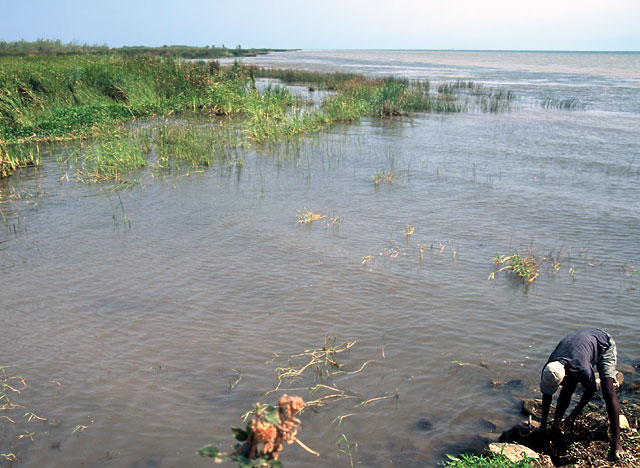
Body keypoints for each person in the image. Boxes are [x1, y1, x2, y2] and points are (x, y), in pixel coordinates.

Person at [539, 329, 624, 461]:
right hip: (578, 346)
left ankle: (617, 442)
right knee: (568, 387)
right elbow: (547, 394)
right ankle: (557, 423)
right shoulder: (550, 367)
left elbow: (590, 391)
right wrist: (543, 425)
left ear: (564, 375)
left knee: (607, 390)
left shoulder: (581, 368)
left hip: (603, 343)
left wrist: (573, 415)